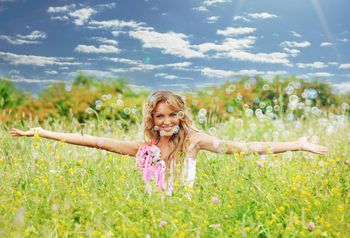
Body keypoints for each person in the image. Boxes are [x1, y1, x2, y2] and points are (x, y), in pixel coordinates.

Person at [10, 90, 328, 195]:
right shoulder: (144, 149)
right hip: (153, 219)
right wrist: (38, 132)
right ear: (152, 119)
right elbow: (94, 141)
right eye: (159, 116)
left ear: (180, 116)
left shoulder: (194, 141)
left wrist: (297, 144)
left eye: (172, 115)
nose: (165, 122)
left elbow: (244, 149)